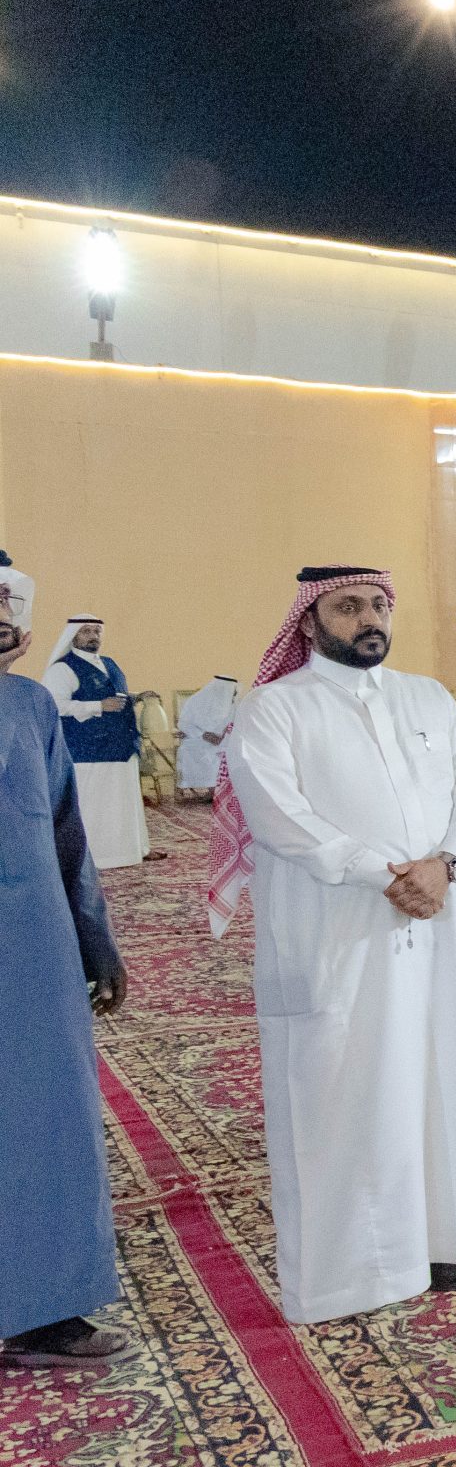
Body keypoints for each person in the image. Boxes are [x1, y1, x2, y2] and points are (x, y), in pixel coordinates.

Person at [214, 566, 456, 1321]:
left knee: (442, 1075)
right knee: (344, 1087)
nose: (369, 618)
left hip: (439, 918)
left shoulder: (428, 697)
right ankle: (351, 1273)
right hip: (336, 931)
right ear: (310, 621)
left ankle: (445, 1238)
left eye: (378, 604)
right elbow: (281, 818)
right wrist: (387, 875)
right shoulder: (273, 709)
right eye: (349, 606)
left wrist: (445, 863)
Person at [0, 556, 131, 1369]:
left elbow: (65, 830)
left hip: (34, 948)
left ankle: (43, 1309)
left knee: (47, 1116)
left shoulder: (31, 704)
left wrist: (95, 938)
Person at [44, 616, 157, 867]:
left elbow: (113, 695)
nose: (93, 636)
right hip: (88, 749)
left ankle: (133, 850)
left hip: (121, 745)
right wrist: (98, 706)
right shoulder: (62, 669)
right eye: (86, 631)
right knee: (95, 803)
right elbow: (56, 705)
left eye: (97, 631)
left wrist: (136, 696)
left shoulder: (109, 663)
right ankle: (96, 856)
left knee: (125, 802)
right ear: (73, 635)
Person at [176, 674, 238, 796]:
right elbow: (183, 723)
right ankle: (209, 789)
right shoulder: (195, 701)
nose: (234, 694)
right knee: (195, 752)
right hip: (197, 741)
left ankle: (217, 791)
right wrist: (203, 735)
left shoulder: (232, 705)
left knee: (229, 753)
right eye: (232, 690)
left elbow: (233, 724)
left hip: (222, 742)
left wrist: (223, 737)